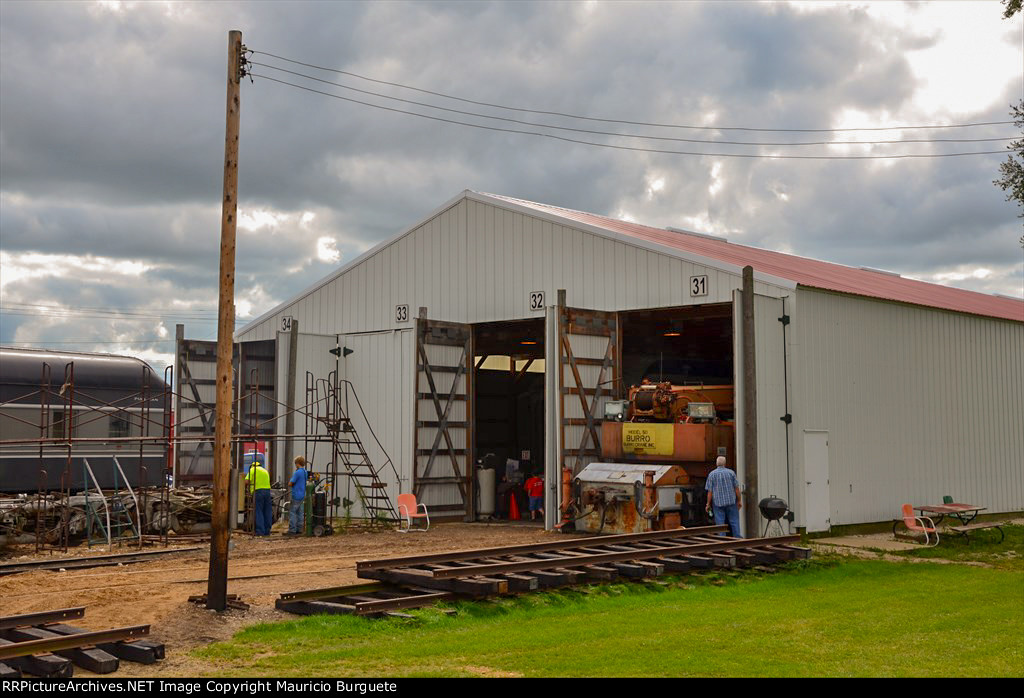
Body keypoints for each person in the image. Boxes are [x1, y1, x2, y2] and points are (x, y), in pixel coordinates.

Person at [705, 456, 742, 538]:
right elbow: (736, 489)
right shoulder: (731, 473)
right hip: (731, 502)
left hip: (718, 504)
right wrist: (739, 500)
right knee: (734, 522)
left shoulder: (712, 474)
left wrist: (708, 504)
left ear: (716, 464)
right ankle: (738, 539)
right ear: (725, 463)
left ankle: (722, 541)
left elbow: (710, 492)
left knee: (720, 524)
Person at [245, 457, 273, 536]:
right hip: (267, 492)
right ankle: (267, 531)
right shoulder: (265, 471)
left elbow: (246, 481)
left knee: (258, 511)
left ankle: (260, 531)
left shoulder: (252, 470)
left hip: (258, 492)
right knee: (267, 511)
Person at [287, 456, 308, 536]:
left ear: (297, 463)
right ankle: (299, 529)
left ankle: (292, 530)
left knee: (293, 512)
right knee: (300, 512)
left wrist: (290, 483)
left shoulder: (297, 472)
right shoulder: (305, 472)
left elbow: (291, 483)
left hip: (296, 495)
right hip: (302, 495)